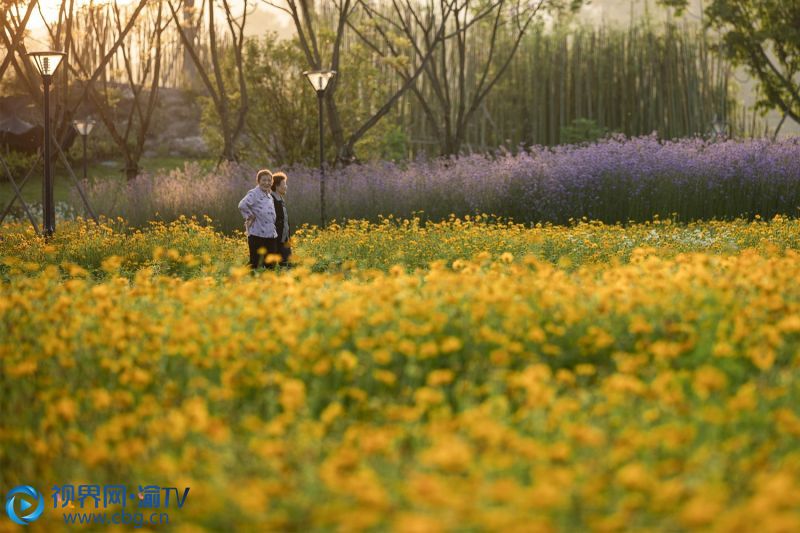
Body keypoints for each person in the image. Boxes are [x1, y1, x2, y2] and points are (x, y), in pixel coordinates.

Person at [238, 169, 279, 269]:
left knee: (271, 264)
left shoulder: (269, 196)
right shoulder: (254, 193)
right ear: (258, 181)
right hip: (257, 235)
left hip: (270, 235)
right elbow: (242, 205)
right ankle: (243, 281)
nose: (266, 183)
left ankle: (270, 283)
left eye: (269, 180)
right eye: (264, 180)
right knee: (255, 264)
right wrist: (250, 216)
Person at [270, 171, 292, 267]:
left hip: (284, 238)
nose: (286, 186)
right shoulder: (271, 200)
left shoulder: (281, 199)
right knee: (279, 265)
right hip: (277, 240)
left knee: (288, 264)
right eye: (284, 184)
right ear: (277, 186)